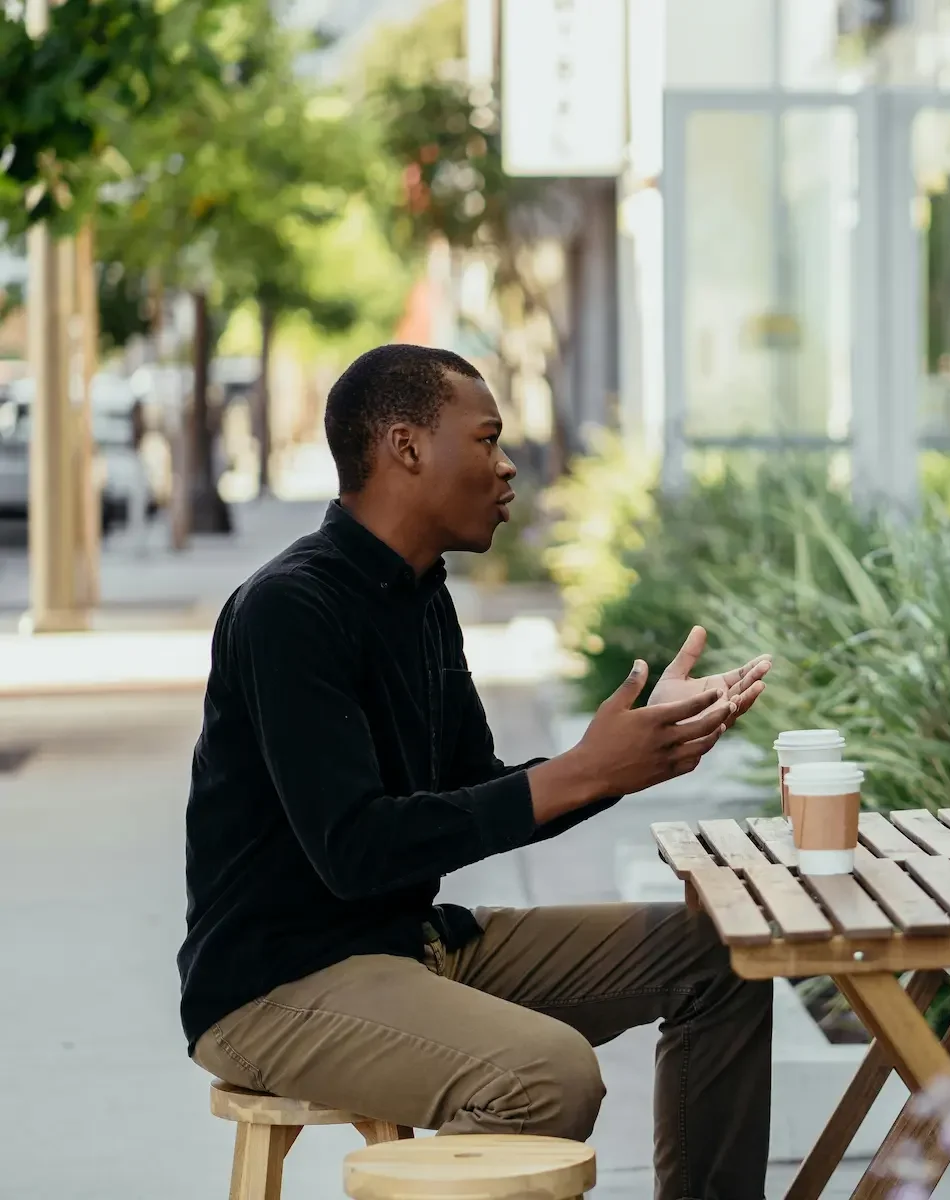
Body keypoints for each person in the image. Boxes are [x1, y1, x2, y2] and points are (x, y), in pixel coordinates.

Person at [177, 344, 775, 1200]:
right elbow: (354, 849)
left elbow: (474, 786)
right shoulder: (288, 610)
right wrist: (583, 771)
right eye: (488, 439)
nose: (506, 470)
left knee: (722, 951)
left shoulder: (424, 597)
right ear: (406, 446)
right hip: (275, 983)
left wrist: (621, 761)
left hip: (408, 947)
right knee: (547, 1075)